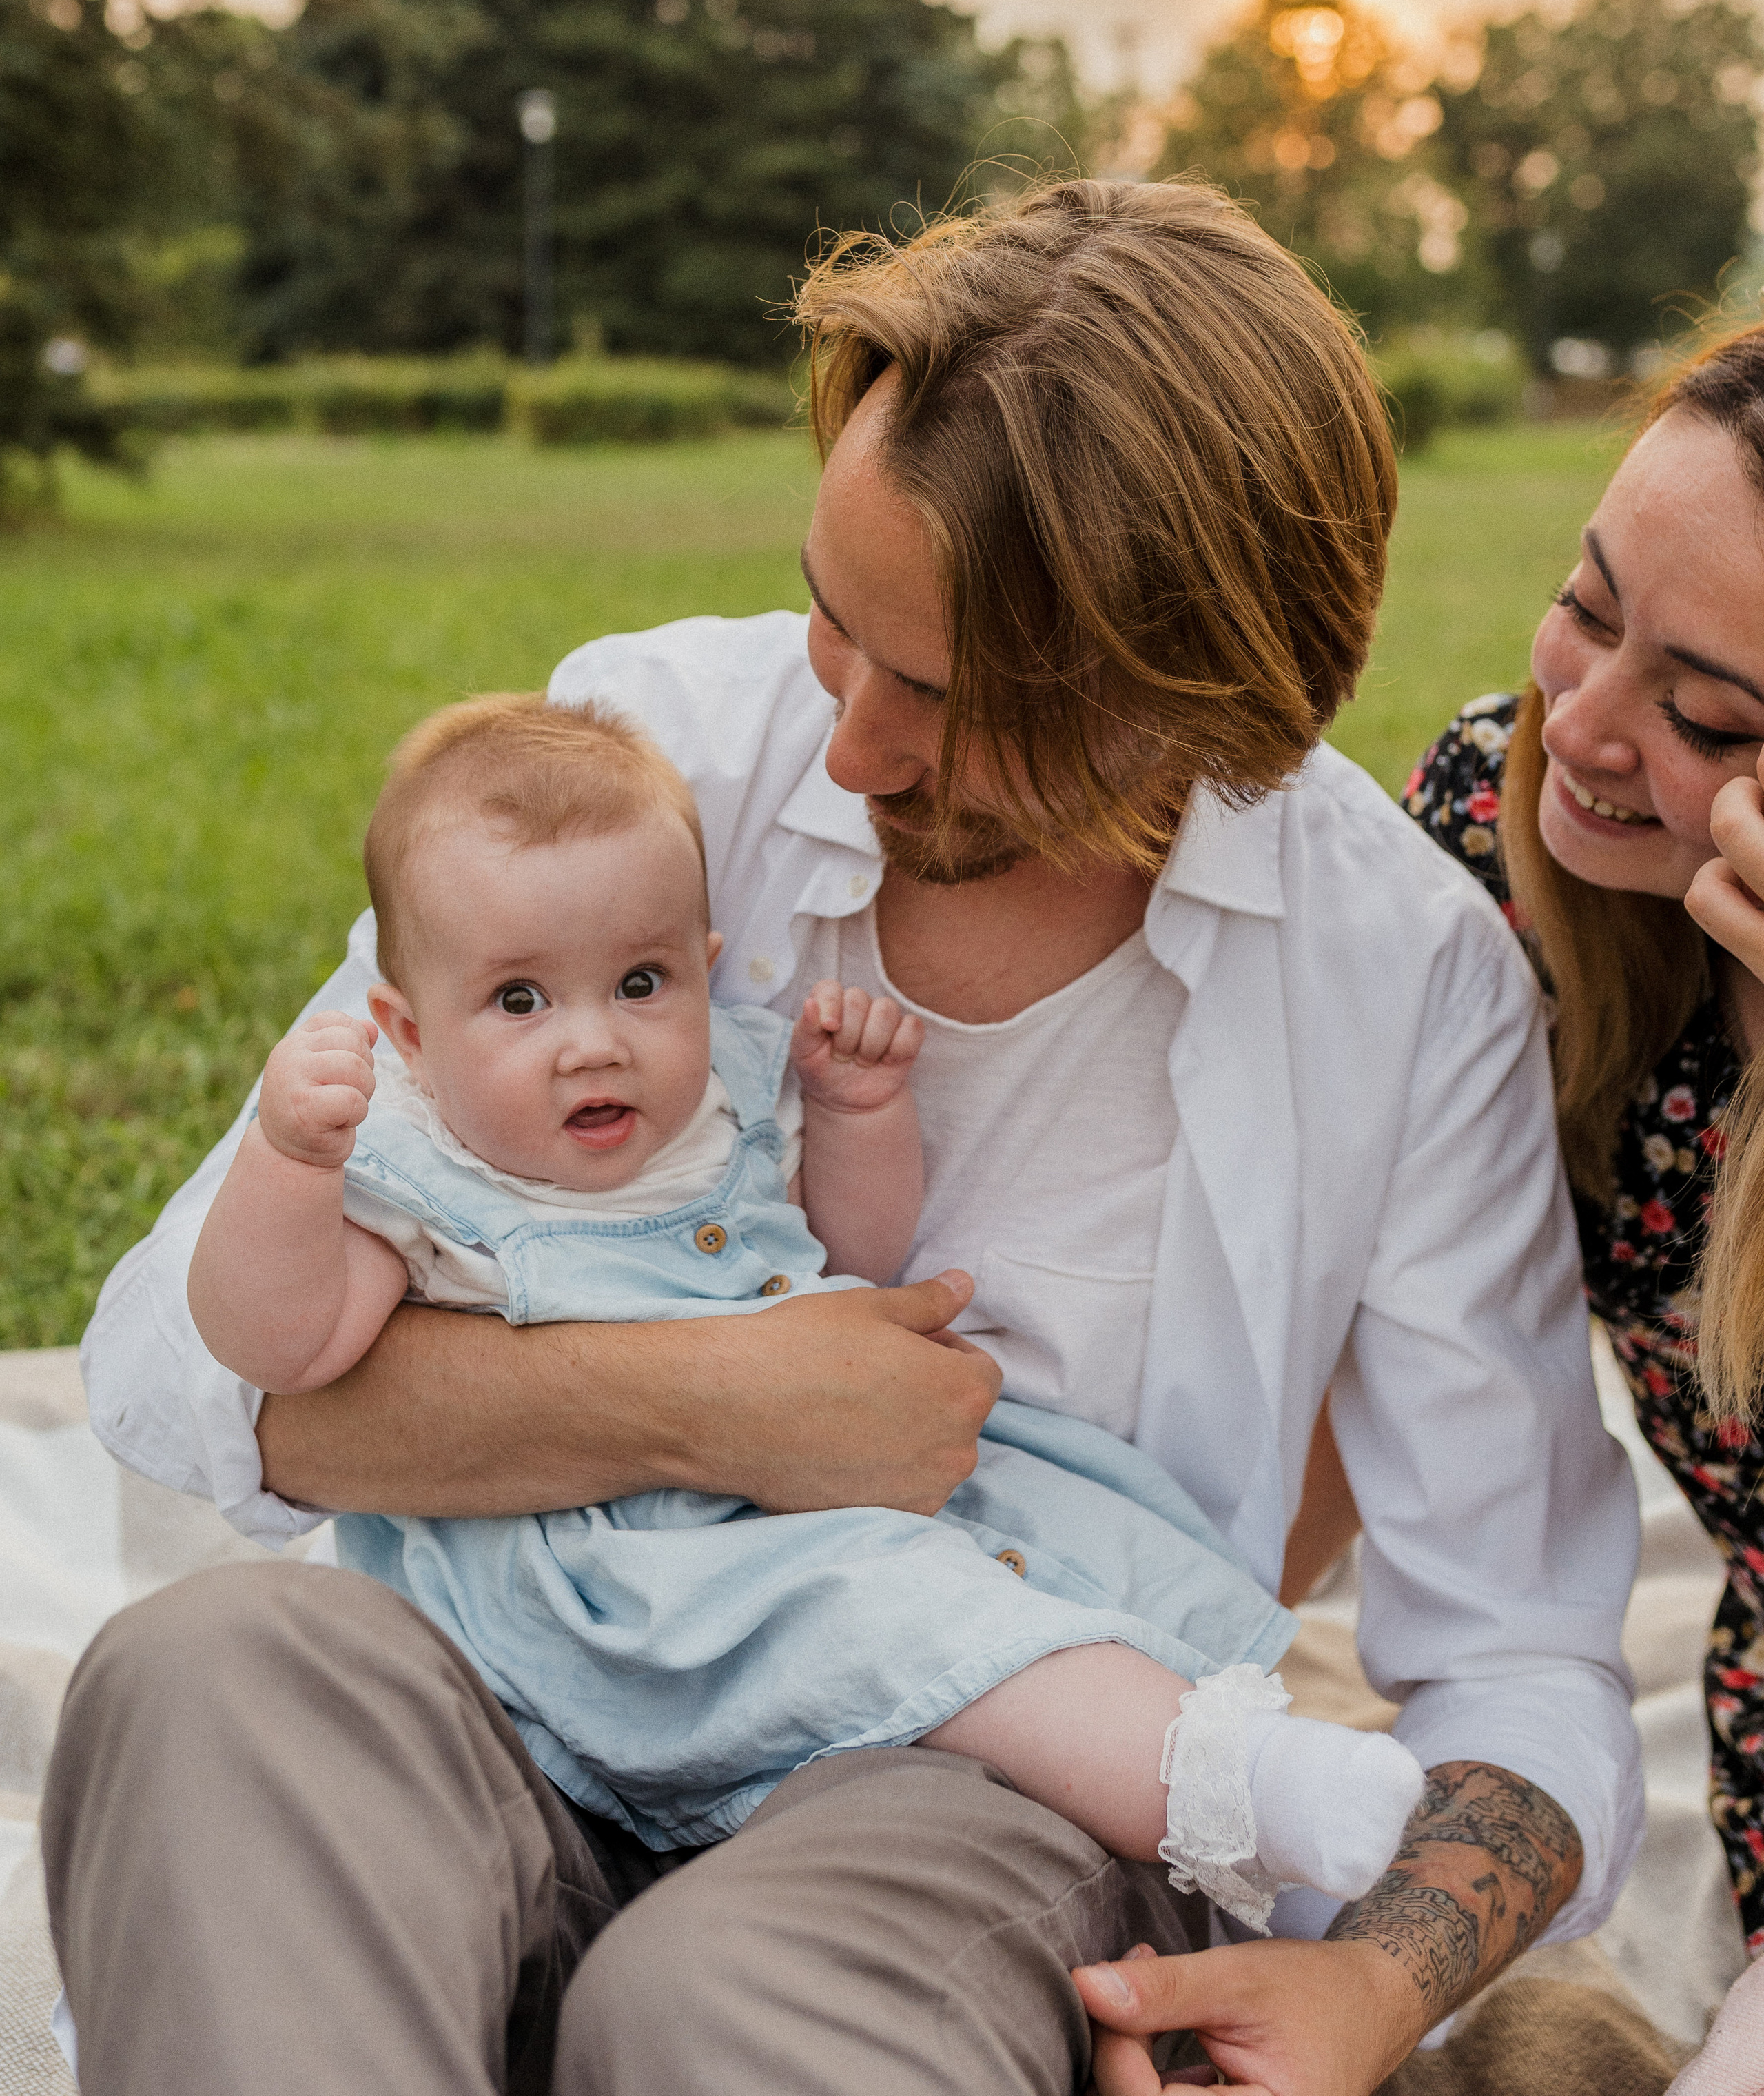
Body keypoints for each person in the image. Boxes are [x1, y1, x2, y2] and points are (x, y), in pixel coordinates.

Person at [46, 178, 1642, 2096]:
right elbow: (195, 1380)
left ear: (1213, 699)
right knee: (207, 1682)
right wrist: (720, 1404)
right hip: (516, 1659)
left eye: (955, 698)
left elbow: (1525, 1661)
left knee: (723, 2003)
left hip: (966, 1770)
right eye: (834, 620)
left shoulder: (1402, 984)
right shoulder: (642, 757)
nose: (855, 748)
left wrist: (1371, 1993)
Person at [185, 688, 1420, 1919]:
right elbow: (286, 1348)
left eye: (639, 981)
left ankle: (1230, 1754)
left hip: (802, 1507)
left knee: (1012, 1572)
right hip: (614, 1584)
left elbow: (849, 1259)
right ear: (404, 1031)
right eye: (520, 1001)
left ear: (704, 971)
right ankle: (1222, 1784)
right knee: (904, 1618)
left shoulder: (722, 1096)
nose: (593, 1042)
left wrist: (856, 1117)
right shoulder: (417, 1163)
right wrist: (286, 1168)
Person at [1078, 320, 1764, 2091]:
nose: (1585, 727)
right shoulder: (1490, 831)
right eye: (1583, 606)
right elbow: (1324, 1354)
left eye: (1706, 717)